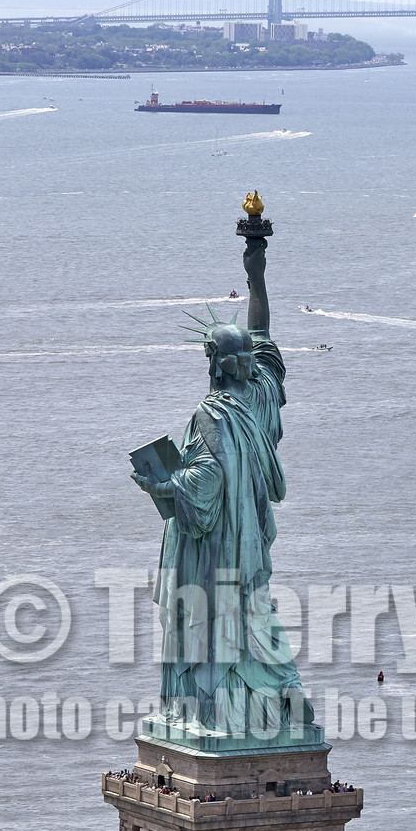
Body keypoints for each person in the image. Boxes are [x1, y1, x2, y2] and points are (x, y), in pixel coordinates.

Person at [131, 224, 311, 743]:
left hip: (213, 553)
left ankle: (213, 710)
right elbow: (265, 340)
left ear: (213, 365)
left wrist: (160, 484)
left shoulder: (213, 415)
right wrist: (257, 276)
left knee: (212, 625)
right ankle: (273, 700)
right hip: (247, 549)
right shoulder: (258, 401)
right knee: (250, 614)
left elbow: (203, 487)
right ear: (248, 367)